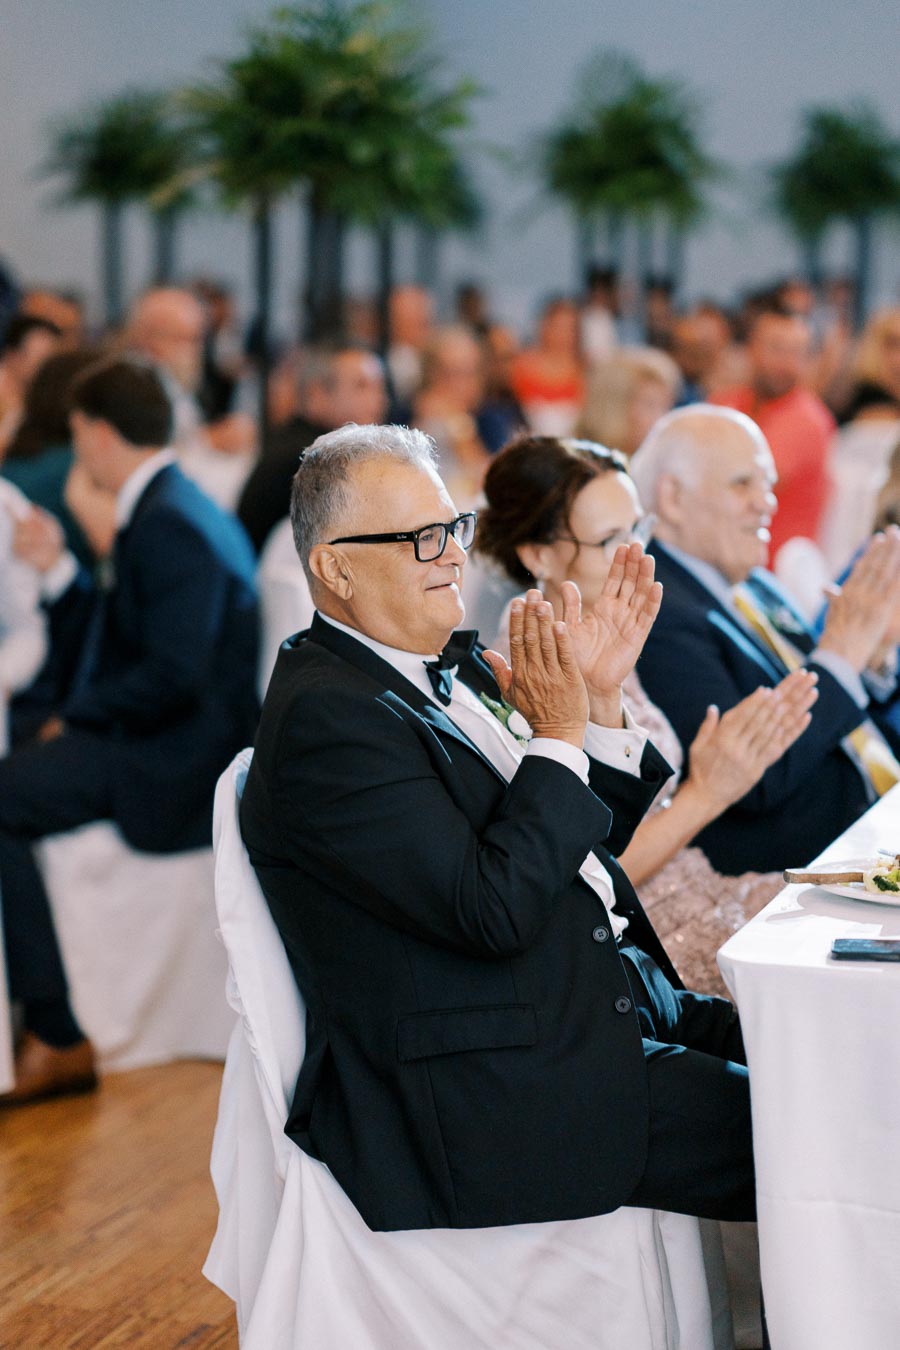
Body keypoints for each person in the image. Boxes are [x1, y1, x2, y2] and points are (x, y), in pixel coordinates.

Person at [242, 420, 762, 1240]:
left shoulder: (456, 659)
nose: (453, 554)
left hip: (605, 1002)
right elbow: (492, 909)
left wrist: (595, 708)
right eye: (420, 538)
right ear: (333, 567)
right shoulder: (326, 722)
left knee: (840, 1056)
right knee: (827, 1143)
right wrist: (556, 737)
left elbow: (581, 848)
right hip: (504, 1084)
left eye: (453, 527)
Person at [0, 357, 259, 1105]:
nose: (77, 449)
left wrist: (70, 718)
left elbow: (172, 673)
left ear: (102, 434)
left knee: (3, 796)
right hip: (164, 734)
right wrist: (57, 573)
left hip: (172, 759)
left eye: (80, 433)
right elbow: (133, 638)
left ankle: (54, 1030)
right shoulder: (174, 505)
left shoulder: (169, 522)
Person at [475, 434, 814, 996]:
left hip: (709, 887)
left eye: (640, 529)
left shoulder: (612, 638)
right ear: (538, 555)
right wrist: (707, 792)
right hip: (647, 937)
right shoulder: (526, 671)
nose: (637, 554)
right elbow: (584, 874)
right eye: (611, 539)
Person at [631, 404, 900, 876]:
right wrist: (840, 658)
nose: (768, 502)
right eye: (743, 484)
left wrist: (869, 660)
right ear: (672, 498)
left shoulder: (754, 582)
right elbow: (750, 782)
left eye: (768, 484)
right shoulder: (656, 608)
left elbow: (836, 709)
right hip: (803, 866)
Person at [709, 302, 834, 565]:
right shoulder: (724, 402)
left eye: (797, 352)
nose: (785, 362)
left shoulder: (808, 419)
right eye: (776, 348)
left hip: (772, 575)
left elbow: (741, 482)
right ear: (751, 348)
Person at [237, 345, 388, 553]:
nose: (379, 399)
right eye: (361, 387)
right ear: (317, 395)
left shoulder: (300, 445)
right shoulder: (307, 459)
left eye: (379, 387)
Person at [577, 347, 680, 458]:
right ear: (615, 406)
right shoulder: (576, 463)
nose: (663, 418)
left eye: (666, 406)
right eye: (650, 405)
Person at [510, 297, 584, 435]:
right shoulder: (521, 367)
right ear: (544, 325)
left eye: (570, 328)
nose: (564, 335)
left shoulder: (586, 371)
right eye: (558, 326)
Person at [0, 314, 62, 453]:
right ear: (12, 356)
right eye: (40, 360)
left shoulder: (46, 401)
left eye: (52, 360)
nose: (49, 370)